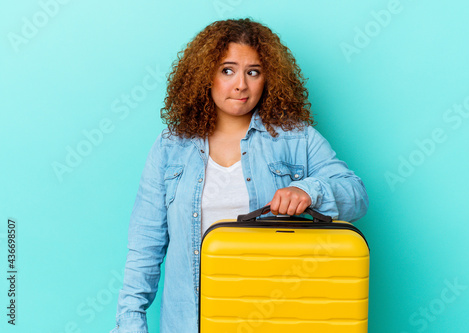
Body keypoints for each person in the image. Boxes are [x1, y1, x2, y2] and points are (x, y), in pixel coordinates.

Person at [112, 18, 369, 333]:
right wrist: (129, 322)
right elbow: (146, 245)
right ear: (206, 75)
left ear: (268, 78)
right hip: (190, 323)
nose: (241, 85)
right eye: (227, 70)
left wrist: (308, 191)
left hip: (277, 319)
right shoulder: (171, 146)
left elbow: (356, 195)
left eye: (253, 72)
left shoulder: (296, 139)